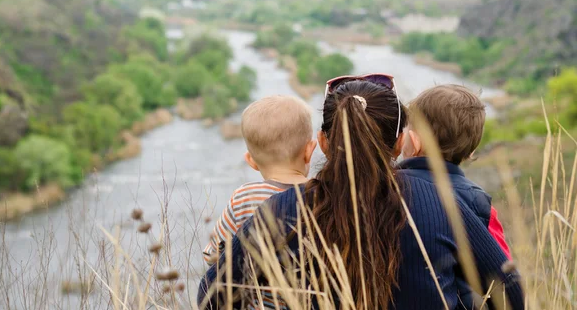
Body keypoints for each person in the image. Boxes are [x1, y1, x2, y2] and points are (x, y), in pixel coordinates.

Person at [198, 76, 524, 310]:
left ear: (322, 142)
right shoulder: (442, 202)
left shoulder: (281, 211)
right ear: (399, 144)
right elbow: (509, 289)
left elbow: (213, 295)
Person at [399, 84, 513, 308]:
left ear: (415, 141)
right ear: (471, 151)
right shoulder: (478, 203)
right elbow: (502, 267)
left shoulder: (390, 187)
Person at [202, 95, 316, 265]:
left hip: (253, 291)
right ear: (309, 151)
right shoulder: (323, 193)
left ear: (251, 161)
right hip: (316, 290)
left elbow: (212, 255)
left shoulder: (244, 198)